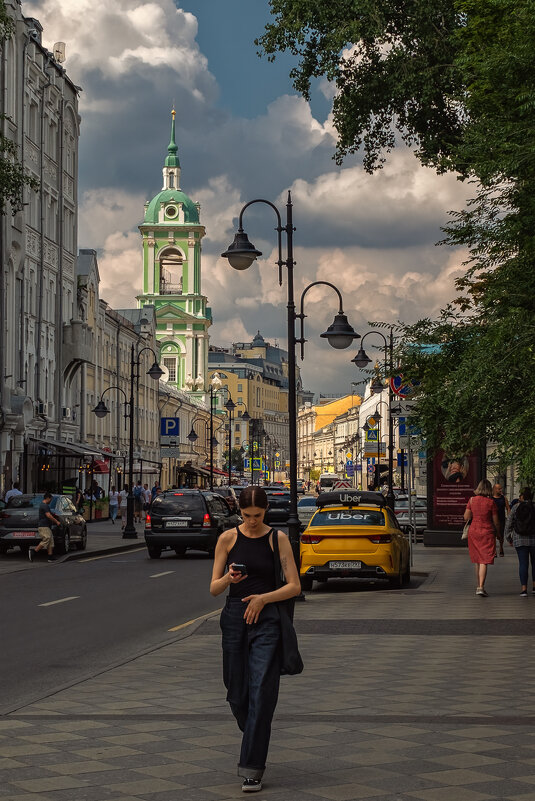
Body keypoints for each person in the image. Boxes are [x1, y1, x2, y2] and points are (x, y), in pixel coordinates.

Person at [210, 486, 300, 794]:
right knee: (237, 693)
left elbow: (294, 587)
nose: (251, 521)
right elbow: (213, 588)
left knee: (262, 692)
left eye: (257, 516)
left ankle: (252, 769)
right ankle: (255, 733)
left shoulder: (278, 539)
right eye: (246, 516)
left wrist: (262, 599)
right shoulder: (227, 538)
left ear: (266, 512)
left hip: (268, 619)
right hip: (235, 618)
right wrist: (229, 579)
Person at [464, 478, 499, 596]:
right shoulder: (491, 503)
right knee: (484, 560)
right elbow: (496, 521)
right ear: (489, 489)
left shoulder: (472, 500)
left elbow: (466, 517)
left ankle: (478, 586)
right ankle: (481, 587)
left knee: (477, 560)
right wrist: (499, 534)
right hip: (487, 532)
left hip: (474, 531)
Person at [505, 486, 535, 597]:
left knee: (523, 563)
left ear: (522, 497)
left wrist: (508, 538)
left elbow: (509, 523)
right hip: (534, 539)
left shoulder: (516, 507)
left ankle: (523, 589)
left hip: (519, 538)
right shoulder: (534, 506)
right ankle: (534, 587)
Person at [29, 491, 60, 563]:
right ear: (48, 498)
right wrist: (56, 521)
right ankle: (34, 551)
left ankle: (50, 556)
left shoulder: (44, 505)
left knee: (50, 541)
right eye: (51, 500)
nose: (50, 501)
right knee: (47, 538)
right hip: (44, 526)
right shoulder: (44, 506)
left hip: (46, 526)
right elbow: (48, 515)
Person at [492, 483, 510, 557]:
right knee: (493, 535)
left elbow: (508, 508)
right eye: (499, 489)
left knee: (501, 535)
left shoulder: (504, 498)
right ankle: (494, 551)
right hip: (492, 519)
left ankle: (501, 548)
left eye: (501, 488)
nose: (500, 490)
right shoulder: (490, 498)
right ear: (494, 489)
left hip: (501, 519)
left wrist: (509, 516)